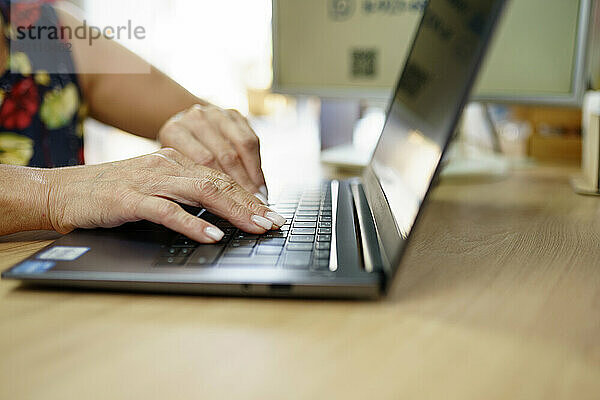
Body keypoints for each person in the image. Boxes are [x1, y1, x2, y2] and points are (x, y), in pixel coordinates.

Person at [0, 0, 287, 242]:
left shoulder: (41, 27)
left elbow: (195, 113)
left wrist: (199, 128)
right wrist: (54, 193)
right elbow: (59, 192)